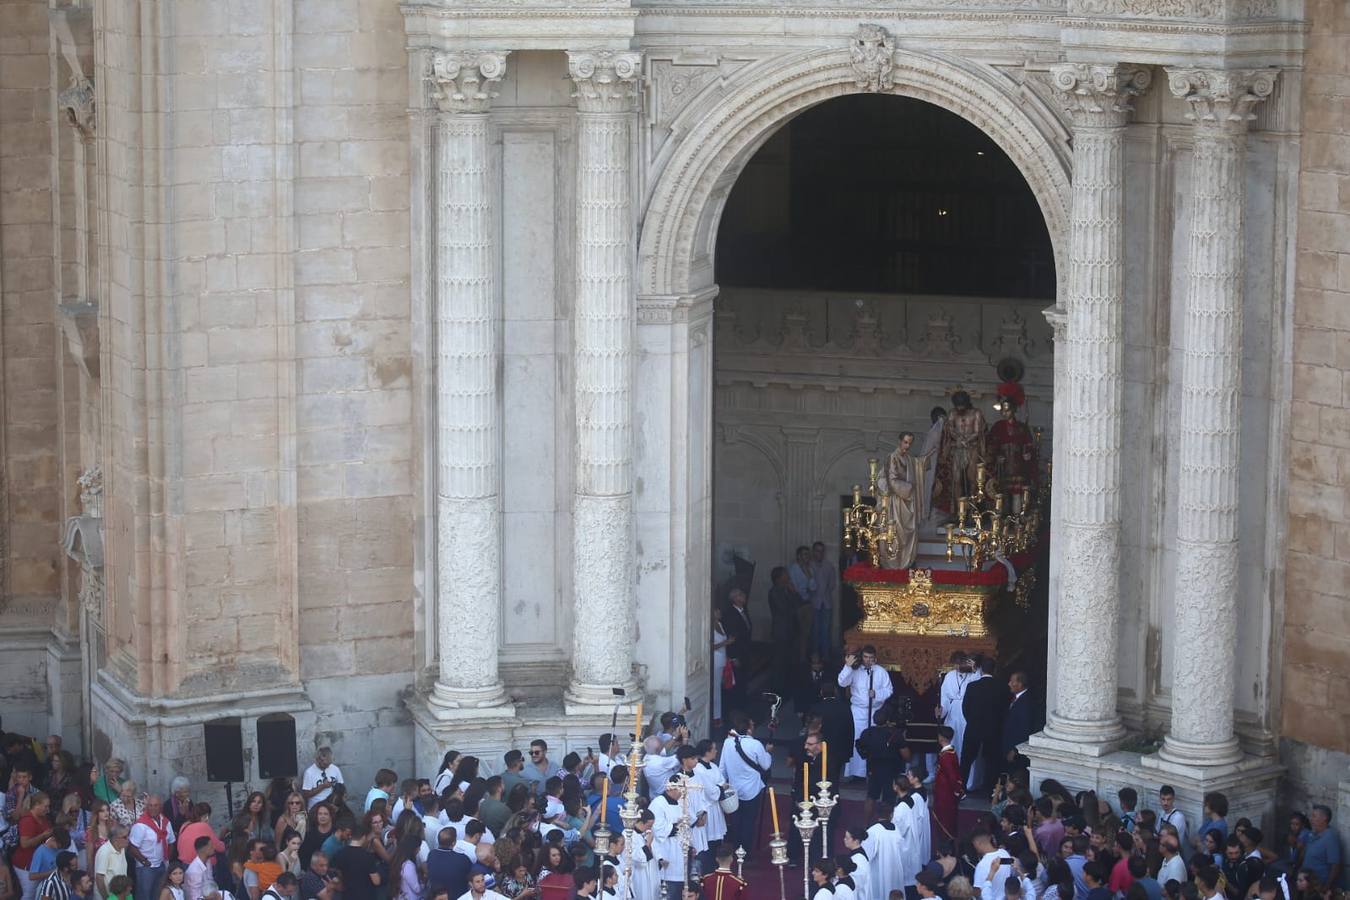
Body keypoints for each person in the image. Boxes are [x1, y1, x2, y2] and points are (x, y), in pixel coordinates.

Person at [876, 432, 937, 569]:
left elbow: (918, 465)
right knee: (895, 533)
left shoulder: (909, 459)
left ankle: (905, 563)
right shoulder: (892, 458)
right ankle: (893, 565)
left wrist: (926, 458)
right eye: (905, 442)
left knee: (910, 532)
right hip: (896, 502)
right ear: (899, 441)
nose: (907, 446)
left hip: (908, 503)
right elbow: (892, 481)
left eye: (909, 443)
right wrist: (909, 488)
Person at [838, 647, 894, 782]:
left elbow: (889, 690)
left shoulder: (880, 672)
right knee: (856, 740)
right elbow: (842, 682)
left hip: (875, 712)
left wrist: (877, 694)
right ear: (862, 657)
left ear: (875, 658)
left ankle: (872, 772)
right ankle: (856, 773)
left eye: (871, 658)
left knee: (875, 741)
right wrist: (848, 667)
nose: (868, 660)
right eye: (866, 657)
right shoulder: (854, 670)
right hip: (858, 711)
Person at [719, 712, 771, 857]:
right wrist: (767, 752)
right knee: (749, 821)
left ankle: (736, 847)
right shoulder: (756, 745)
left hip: (734, 787)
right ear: (748, 728)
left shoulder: (727, 742)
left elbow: (722, 767)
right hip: (751, 789)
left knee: (736, 820)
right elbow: (765, 765)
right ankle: (745, 851)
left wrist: (722, 785)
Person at [959, 656, 1006, 793]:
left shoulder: (972, 686)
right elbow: (1004, 710)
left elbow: (965, 708)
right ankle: (990, 790)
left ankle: (961, 788)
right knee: (991, 761)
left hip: (973, 728)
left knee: (966, 760)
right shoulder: (1001, 687)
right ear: (994, 670)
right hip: (993, 730)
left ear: (981, 670)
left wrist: (973, 721)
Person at [129, 796, 176, 900]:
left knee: (158, 895)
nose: (152, 808)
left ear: (161, 807)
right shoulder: (140, 825)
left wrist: (167, 858)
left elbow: (171, 841)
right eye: (150, 805)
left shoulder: (166, 822)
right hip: (146, 868)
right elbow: (132, 847)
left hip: (162, 865)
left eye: (155, 805)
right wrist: (144, 861)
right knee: (144, 896)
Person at [767, 567, 802, 695]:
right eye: (786, 574)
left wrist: (794, 592)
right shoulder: (775, 592)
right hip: (781, 630)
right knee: (779, 661)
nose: (788, 576)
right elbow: (785, 609)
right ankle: (777, 688)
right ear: (779, 577)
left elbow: (799, 603)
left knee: (788, 659)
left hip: (791, 629)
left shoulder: (787, 590)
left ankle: (787, 686)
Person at [720, 591, 752, 714]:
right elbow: (731, 636)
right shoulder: (730, 614)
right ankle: (736, 707)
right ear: (734, 598)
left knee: (743, 679)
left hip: (745, 652)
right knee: (736, 681)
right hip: (736, 653)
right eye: (740, 595)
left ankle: (743, 703)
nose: (744, 596)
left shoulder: (744, 610)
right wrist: (733, 657)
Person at [332, 824, 380, 900]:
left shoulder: (339, 854)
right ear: (364, 837)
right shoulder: (368, 857)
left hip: (347, 896)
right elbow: (376, 881)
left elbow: (339, 874)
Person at [932, 727, 963, 842]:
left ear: (941, 738)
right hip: (944, 791)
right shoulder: (949, 752)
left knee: (945, 819)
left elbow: (952, 776)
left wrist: (956, 791)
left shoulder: (946, 756)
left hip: (946, 794)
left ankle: (946, 846)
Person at [789, 546, 819, 661]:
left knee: (806, 632)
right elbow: (793, 587)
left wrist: (809, 575)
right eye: (805, 554)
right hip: (798, 604)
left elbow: (813, 587)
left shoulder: (810, 569)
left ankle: (803, 656)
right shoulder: (794, 569)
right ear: (799, 556)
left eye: (808, 554)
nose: (807, 557)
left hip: (807, 603)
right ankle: (797, 656)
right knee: (798, 631)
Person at [1001, 672, 1035, 773]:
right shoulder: (1016, 698)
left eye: (1012, 681)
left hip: (1016, 751)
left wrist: (1015, 750)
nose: (1009, 684)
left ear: (1020, 684)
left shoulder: (1026, 702)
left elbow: (1024, 729)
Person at [1302, 806, 1341, 889]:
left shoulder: (1330, 838)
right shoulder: (1312, 834)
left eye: (1314, 816)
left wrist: (1327, 885)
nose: (1310, 819)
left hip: (1319, 884)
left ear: (1324, 818)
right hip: (1306, 882)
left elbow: (1335, 865)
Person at [810, 542, 838, 656]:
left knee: (825, 630)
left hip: (826, 603)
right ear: (813, 551)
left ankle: (825, 655)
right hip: (813, 603)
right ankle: (815, 654)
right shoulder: (809, 565)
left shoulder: (829, 566)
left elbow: (832, 584)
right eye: (817, 551)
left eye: (821, 551)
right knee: (814, 630)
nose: (819, 553)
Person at [94, 828, 130, 900]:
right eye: (125, 837)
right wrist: (107, 898)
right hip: (107, 896)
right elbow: (99, 878)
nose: (128, 839)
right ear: (115, 839)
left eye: (128, 835)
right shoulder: (104, 852)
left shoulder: (121, 848)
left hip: (119, 896)